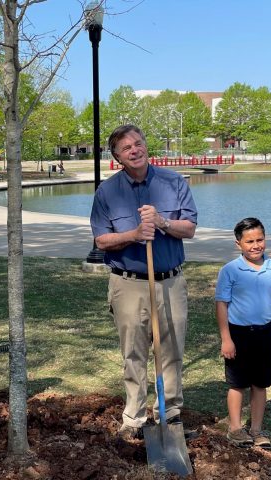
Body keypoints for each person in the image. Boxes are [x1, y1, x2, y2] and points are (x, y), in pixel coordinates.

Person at [90, 124, 198, 440]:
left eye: (139, 143)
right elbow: (101, 240)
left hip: (169, 282)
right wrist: (134, 234)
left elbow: (189, 228)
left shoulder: (173, 182)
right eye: (127, 148)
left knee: (171, 350)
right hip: (128, 284)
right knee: (133, 353)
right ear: (117, 158)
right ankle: (134, 418)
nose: (135, 150)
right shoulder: (107, 192)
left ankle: (170, 415)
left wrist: (163, 222)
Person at [215, 218, 271, 448]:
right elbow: (222, 304)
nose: (256, 245)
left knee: (260, 384)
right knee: (237, 383)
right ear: (239, 244)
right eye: (250, 241)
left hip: (265, 333)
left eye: (260, 240)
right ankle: (235, 428)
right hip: (238, 334)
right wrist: (226, 339)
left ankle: (256, 429)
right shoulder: (231, 270)